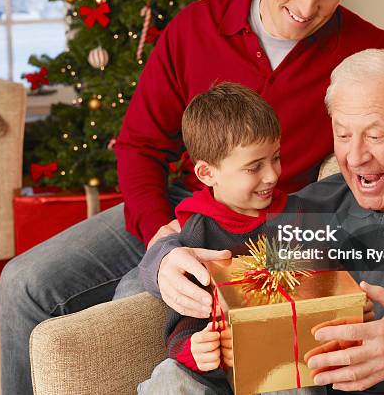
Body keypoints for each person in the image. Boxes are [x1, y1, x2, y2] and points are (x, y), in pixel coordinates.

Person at [0, 0, 384, 393]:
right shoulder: (195, 27)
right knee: (24, 284)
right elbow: (138, 146)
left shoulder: (362, 48)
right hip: (178, 205)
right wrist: (161, 238)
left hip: (267, 222)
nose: (308, 4)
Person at [142, 49, 384, 394]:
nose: (354, 157)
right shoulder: (317, 206)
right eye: (342, 135)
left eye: (374, 135)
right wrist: (161, 262)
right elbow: (204, 232)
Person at [139, 82, 326, 394]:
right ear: (207, 174)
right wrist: (194, 349)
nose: (272, 175)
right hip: (216, 375)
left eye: (275, 158)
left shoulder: (301, 219)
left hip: (282, 366)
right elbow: (183, 323)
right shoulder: (196, 234)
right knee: (168, 377)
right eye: (254, 167)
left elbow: (328, 289)